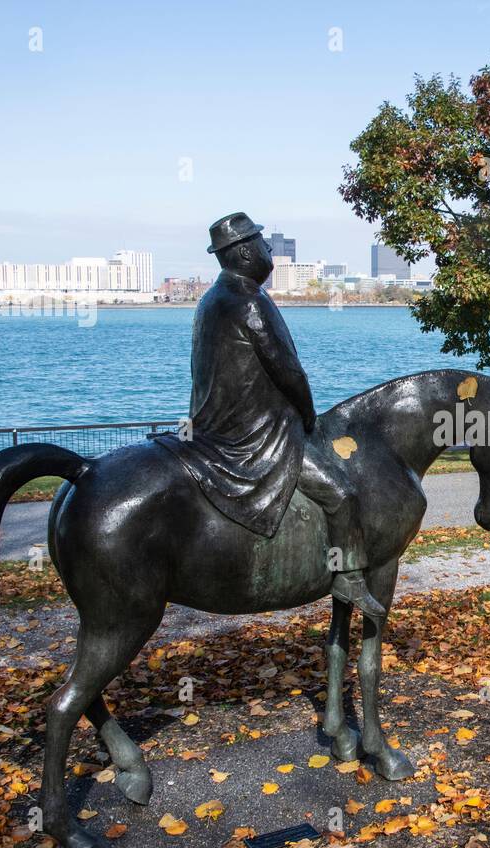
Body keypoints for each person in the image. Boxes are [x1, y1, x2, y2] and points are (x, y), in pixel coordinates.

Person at [155, 212, 386, 619]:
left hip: (211, 429)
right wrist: (310, 415)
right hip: (256, 437)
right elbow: (289, 372)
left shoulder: (211, 300)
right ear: (245, 252)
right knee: (342, 493)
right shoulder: (249, 301)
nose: (268, 252)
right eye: (262, 244)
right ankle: (348, 579)